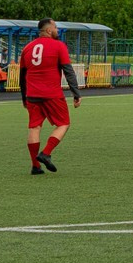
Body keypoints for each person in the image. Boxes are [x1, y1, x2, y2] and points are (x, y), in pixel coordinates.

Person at [20, 18, 81, 174]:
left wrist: (24, 98)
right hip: (52, 94)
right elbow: (68, 70)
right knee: (64, 124)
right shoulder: (58, 46)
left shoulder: (27, 48)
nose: (57, 30)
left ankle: (35, 166)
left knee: (34, 127)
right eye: (55, 27)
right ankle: (46, 153)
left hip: (32, 94)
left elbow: (22, 76)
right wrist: (76, 93)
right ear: (49, 30)